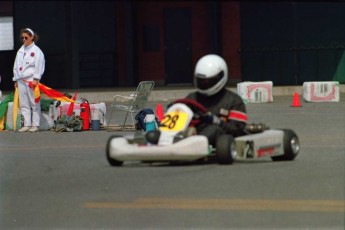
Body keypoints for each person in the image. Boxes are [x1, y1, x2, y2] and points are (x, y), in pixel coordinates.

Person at [185, 54, 248, 146]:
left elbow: (237, 129)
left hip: (221, 140)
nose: (204, 84)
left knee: (214, 129)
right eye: (201, 81)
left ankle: (194, 145)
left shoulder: (233, 100)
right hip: (191, 134)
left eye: (208, 81)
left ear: (221, 77)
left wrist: (217, 121)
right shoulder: (192, 98)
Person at [13, 28, 45, 132]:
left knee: (34, 102)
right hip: (21, 80)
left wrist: (36, 79)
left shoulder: (36, 51)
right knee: (23, 103)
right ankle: (27, 124)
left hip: (31, 79)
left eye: (26, 37)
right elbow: (16, 66)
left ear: (31, 37)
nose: (24, 40)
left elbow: (39, 65)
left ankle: (35, 124)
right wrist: (16, 79)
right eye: (22, 38)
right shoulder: (20, 51)